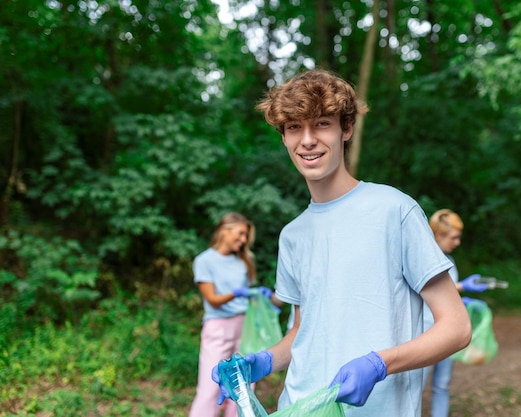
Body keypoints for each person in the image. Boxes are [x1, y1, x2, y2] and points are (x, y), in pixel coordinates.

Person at [212, 69, 472, 417]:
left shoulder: (394, 210)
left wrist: (380, 363)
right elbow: (303, 334)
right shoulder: (293, 235)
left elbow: (457, 328)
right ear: (285, 137)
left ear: (345, 129)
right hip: (301, 409)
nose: (307, 140)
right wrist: (261, 362)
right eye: (294, 127)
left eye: (321, 123)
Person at [189, 212, 275, 417]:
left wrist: (263, 296)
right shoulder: (205, 261)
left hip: (245, 327)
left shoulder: (244, 261)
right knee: (209, 388)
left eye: (246, 236)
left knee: (244, 387)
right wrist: (236, 293)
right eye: (241, 233)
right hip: (218, 327)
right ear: (224, 230)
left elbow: (250, 299)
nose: (244, 240)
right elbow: (212, 299)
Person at [422, 209, 489, 417]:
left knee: (442, 384)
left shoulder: (450, 260)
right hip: (424, 332)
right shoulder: (423, 257)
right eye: (454, 237)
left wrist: (461, 302)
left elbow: (448, 296)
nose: (458, 242)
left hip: (447, 330)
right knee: (415, 386)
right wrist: (461, 286)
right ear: (438, 235)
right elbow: (428, 289)